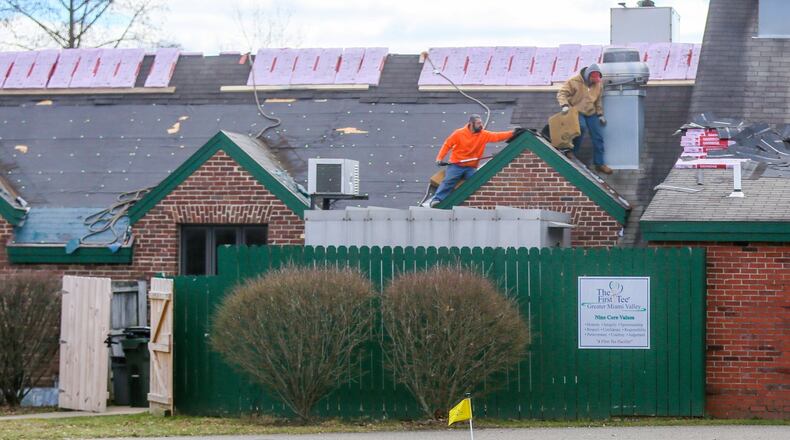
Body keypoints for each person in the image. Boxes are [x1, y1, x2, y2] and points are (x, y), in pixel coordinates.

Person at [430, 114, 517, 207]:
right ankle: (436, 200)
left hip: (471, 167)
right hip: (456, 165)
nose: (481, 125)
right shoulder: (458, 133)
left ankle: (476, 203)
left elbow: (497, 136)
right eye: (478, 123)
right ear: (471, 124)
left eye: (481, 123)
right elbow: (447, 145)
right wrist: (439, 158)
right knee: (449, 180)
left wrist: (513, 133)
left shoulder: (483, 134)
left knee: (477, 181)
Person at [557, 64, 613, 174]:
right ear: (588, 76)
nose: (595, 81)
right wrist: (564, 105)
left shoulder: (598, 84)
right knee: (580, 128)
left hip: (591, 112)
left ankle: (599, 163)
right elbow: (561, 94)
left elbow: (598, 101)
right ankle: (570, 151)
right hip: (575, 110)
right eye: (593, 79)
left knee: (598, 137)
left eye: (597, 79)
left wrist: (600, 114)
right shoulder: (573, 81)